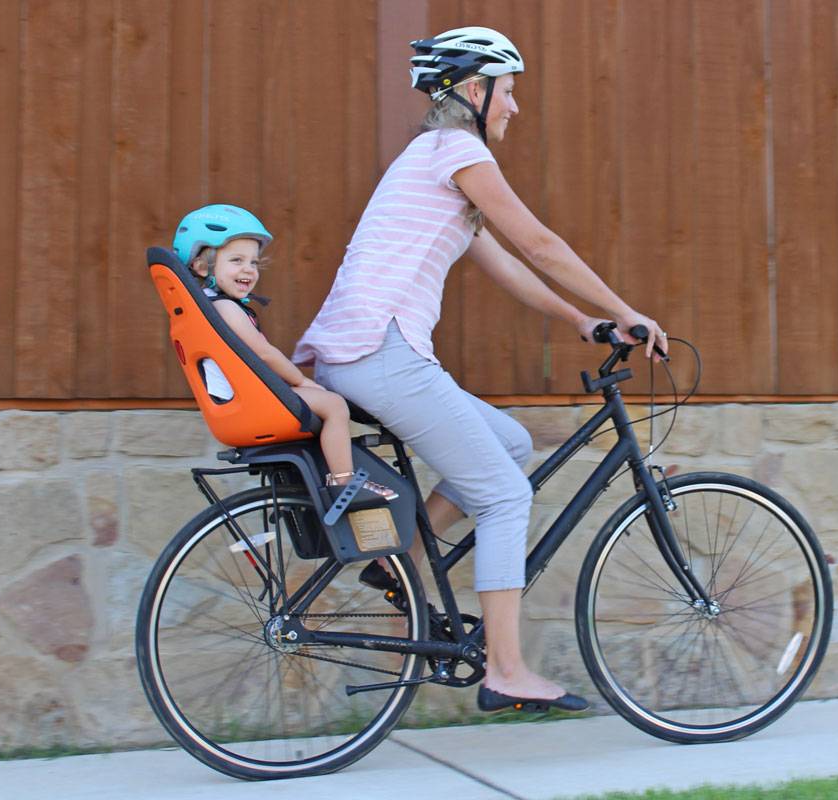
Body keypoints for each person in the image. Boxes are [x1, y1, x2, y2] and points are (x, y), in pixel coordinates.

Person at [292, 27, 668, 712]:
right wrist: (628, 310)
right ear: (475, 90)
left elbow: (511, 265)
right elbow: (540, 242)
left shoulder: (435, 163)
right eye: (509, 91)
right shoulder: (457, 150)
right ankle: (506, 669)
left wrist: (585, 322)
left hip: (364, 356)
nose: (514, 108)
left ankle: (398, 558)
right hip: (384, 353)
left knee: (512, 446)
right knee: (504, 496)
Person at [172, 204, 397, 500]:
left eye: (253, 262)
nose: (248, 270)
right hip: (252, 405)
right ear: (202, 268)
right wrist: (301, 382)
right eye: (236, 260)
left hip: (237, 405)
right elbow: (264, 354)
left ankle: (325, 479)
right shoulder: (225, 308)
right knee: (334, 406)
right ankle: (344, 481)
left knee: (325, 405)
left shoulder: (205, 307)